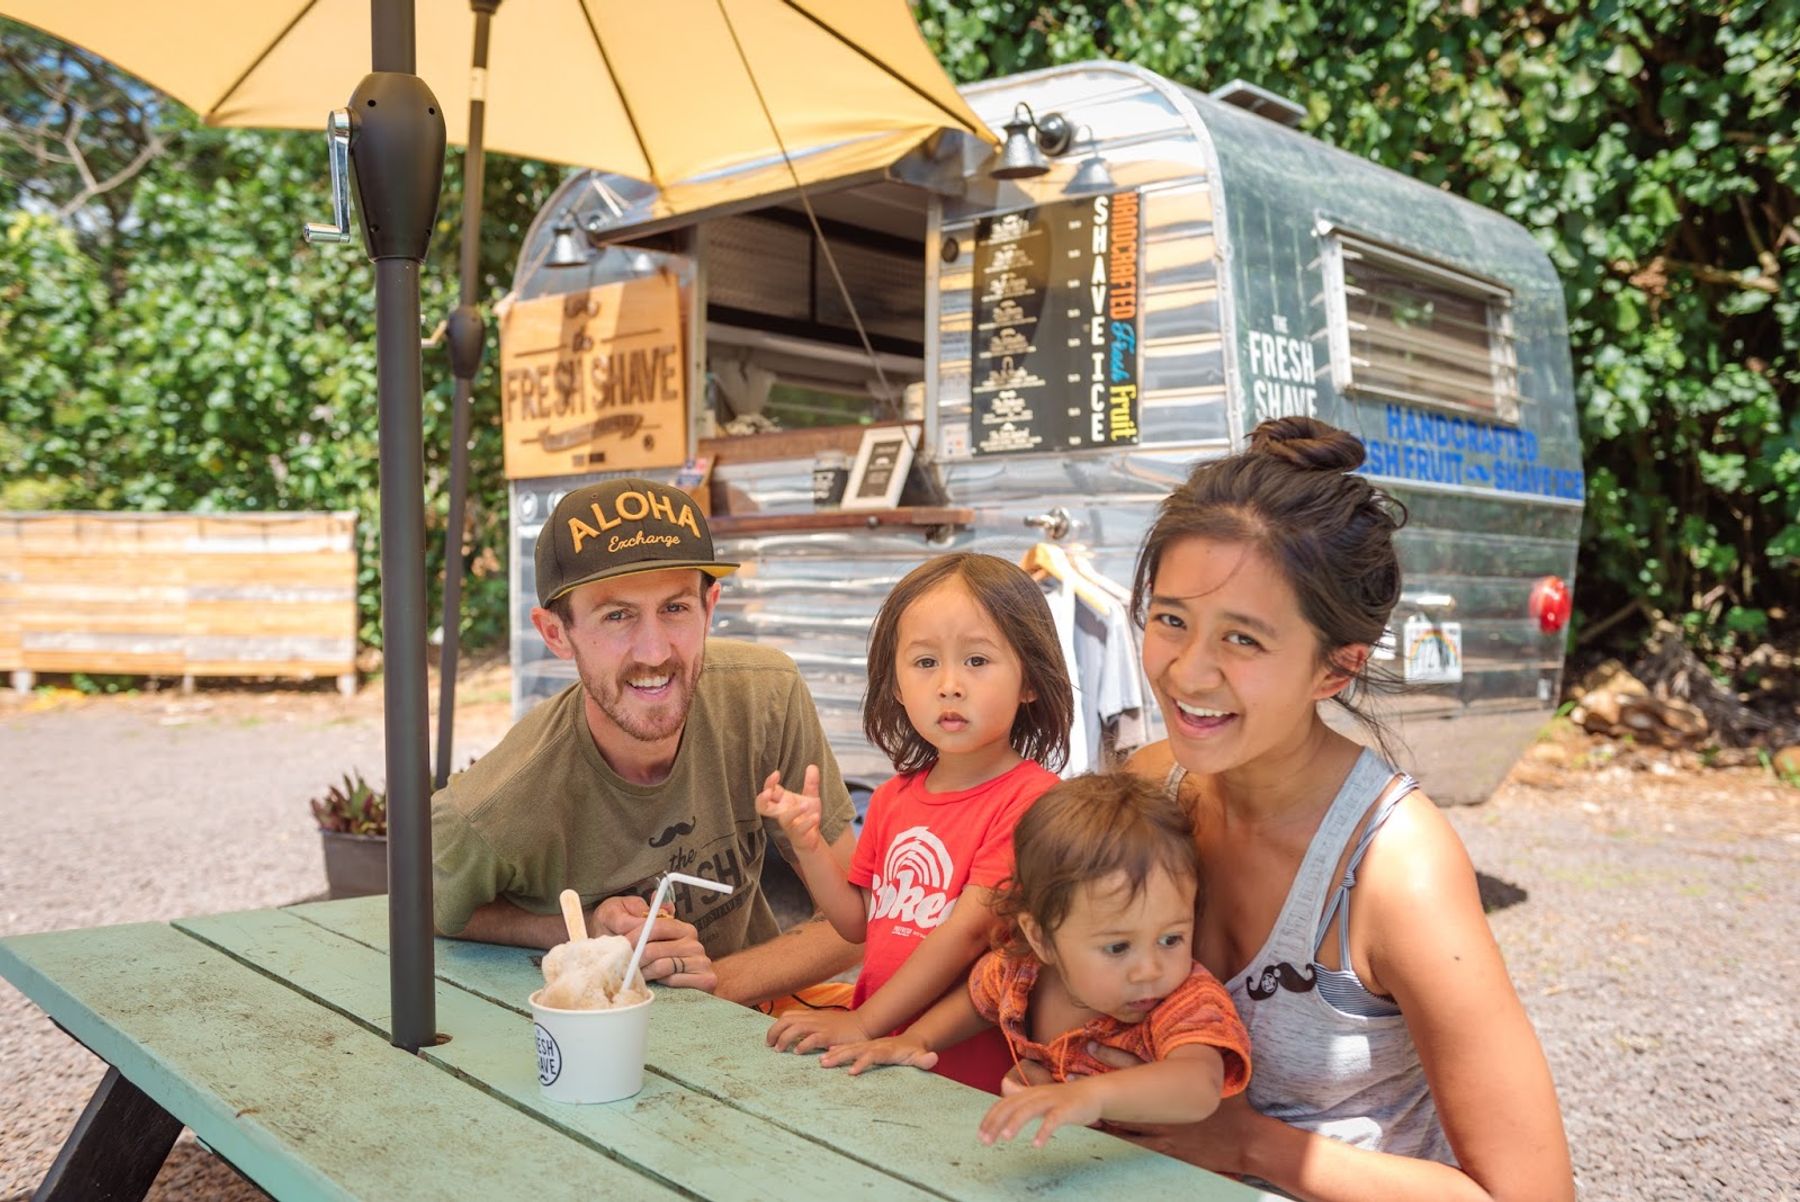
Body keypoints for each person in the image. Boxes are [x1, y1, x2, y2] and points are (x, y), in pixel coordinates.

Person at [1074, 416, 1573, 1200]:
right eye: (1171, 620)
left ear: (1335, 670)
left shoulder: (1393, 868)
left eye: (1243, 640)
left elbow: (1530, 1194)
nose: (1188, 673)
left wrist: (1247, 1145)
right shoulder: (1149, 784)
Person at [430, 477, 861, 1007]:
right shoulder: (493, 806)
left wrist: (710, 988)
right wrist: (584, 931)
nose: (655, 651)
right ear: (555, 633)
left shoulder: (765, 694)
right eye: (617, 615)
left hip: (758, 1016)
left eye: (676, 608)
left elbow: (861, 918)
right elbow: (424, 909)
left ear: (711, 606)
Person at [758, 553, 1072, 1091]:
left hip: (966, 1074)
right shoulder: (891, 799)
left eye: (977, 661)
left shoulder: (1034, 802)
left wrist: (861, 1020)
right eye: (926, 663)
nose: (949, 685)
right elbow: (859, 923)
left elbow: (969, 930)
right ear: (897, 686)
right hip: (875, 1055)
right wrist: (807, 844)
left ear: (1030, 680)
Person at [820, 773, 1252, 1149]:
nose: (1151, 969)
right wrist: (918, 1040)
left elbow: (1200, 1084)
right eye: (1118, 947)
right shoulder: (1023, 971)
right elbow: (977, 999)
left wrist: (1093, 1096)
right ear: (1041, 938)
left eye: (1171, 938)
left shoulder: (1182, 1001)